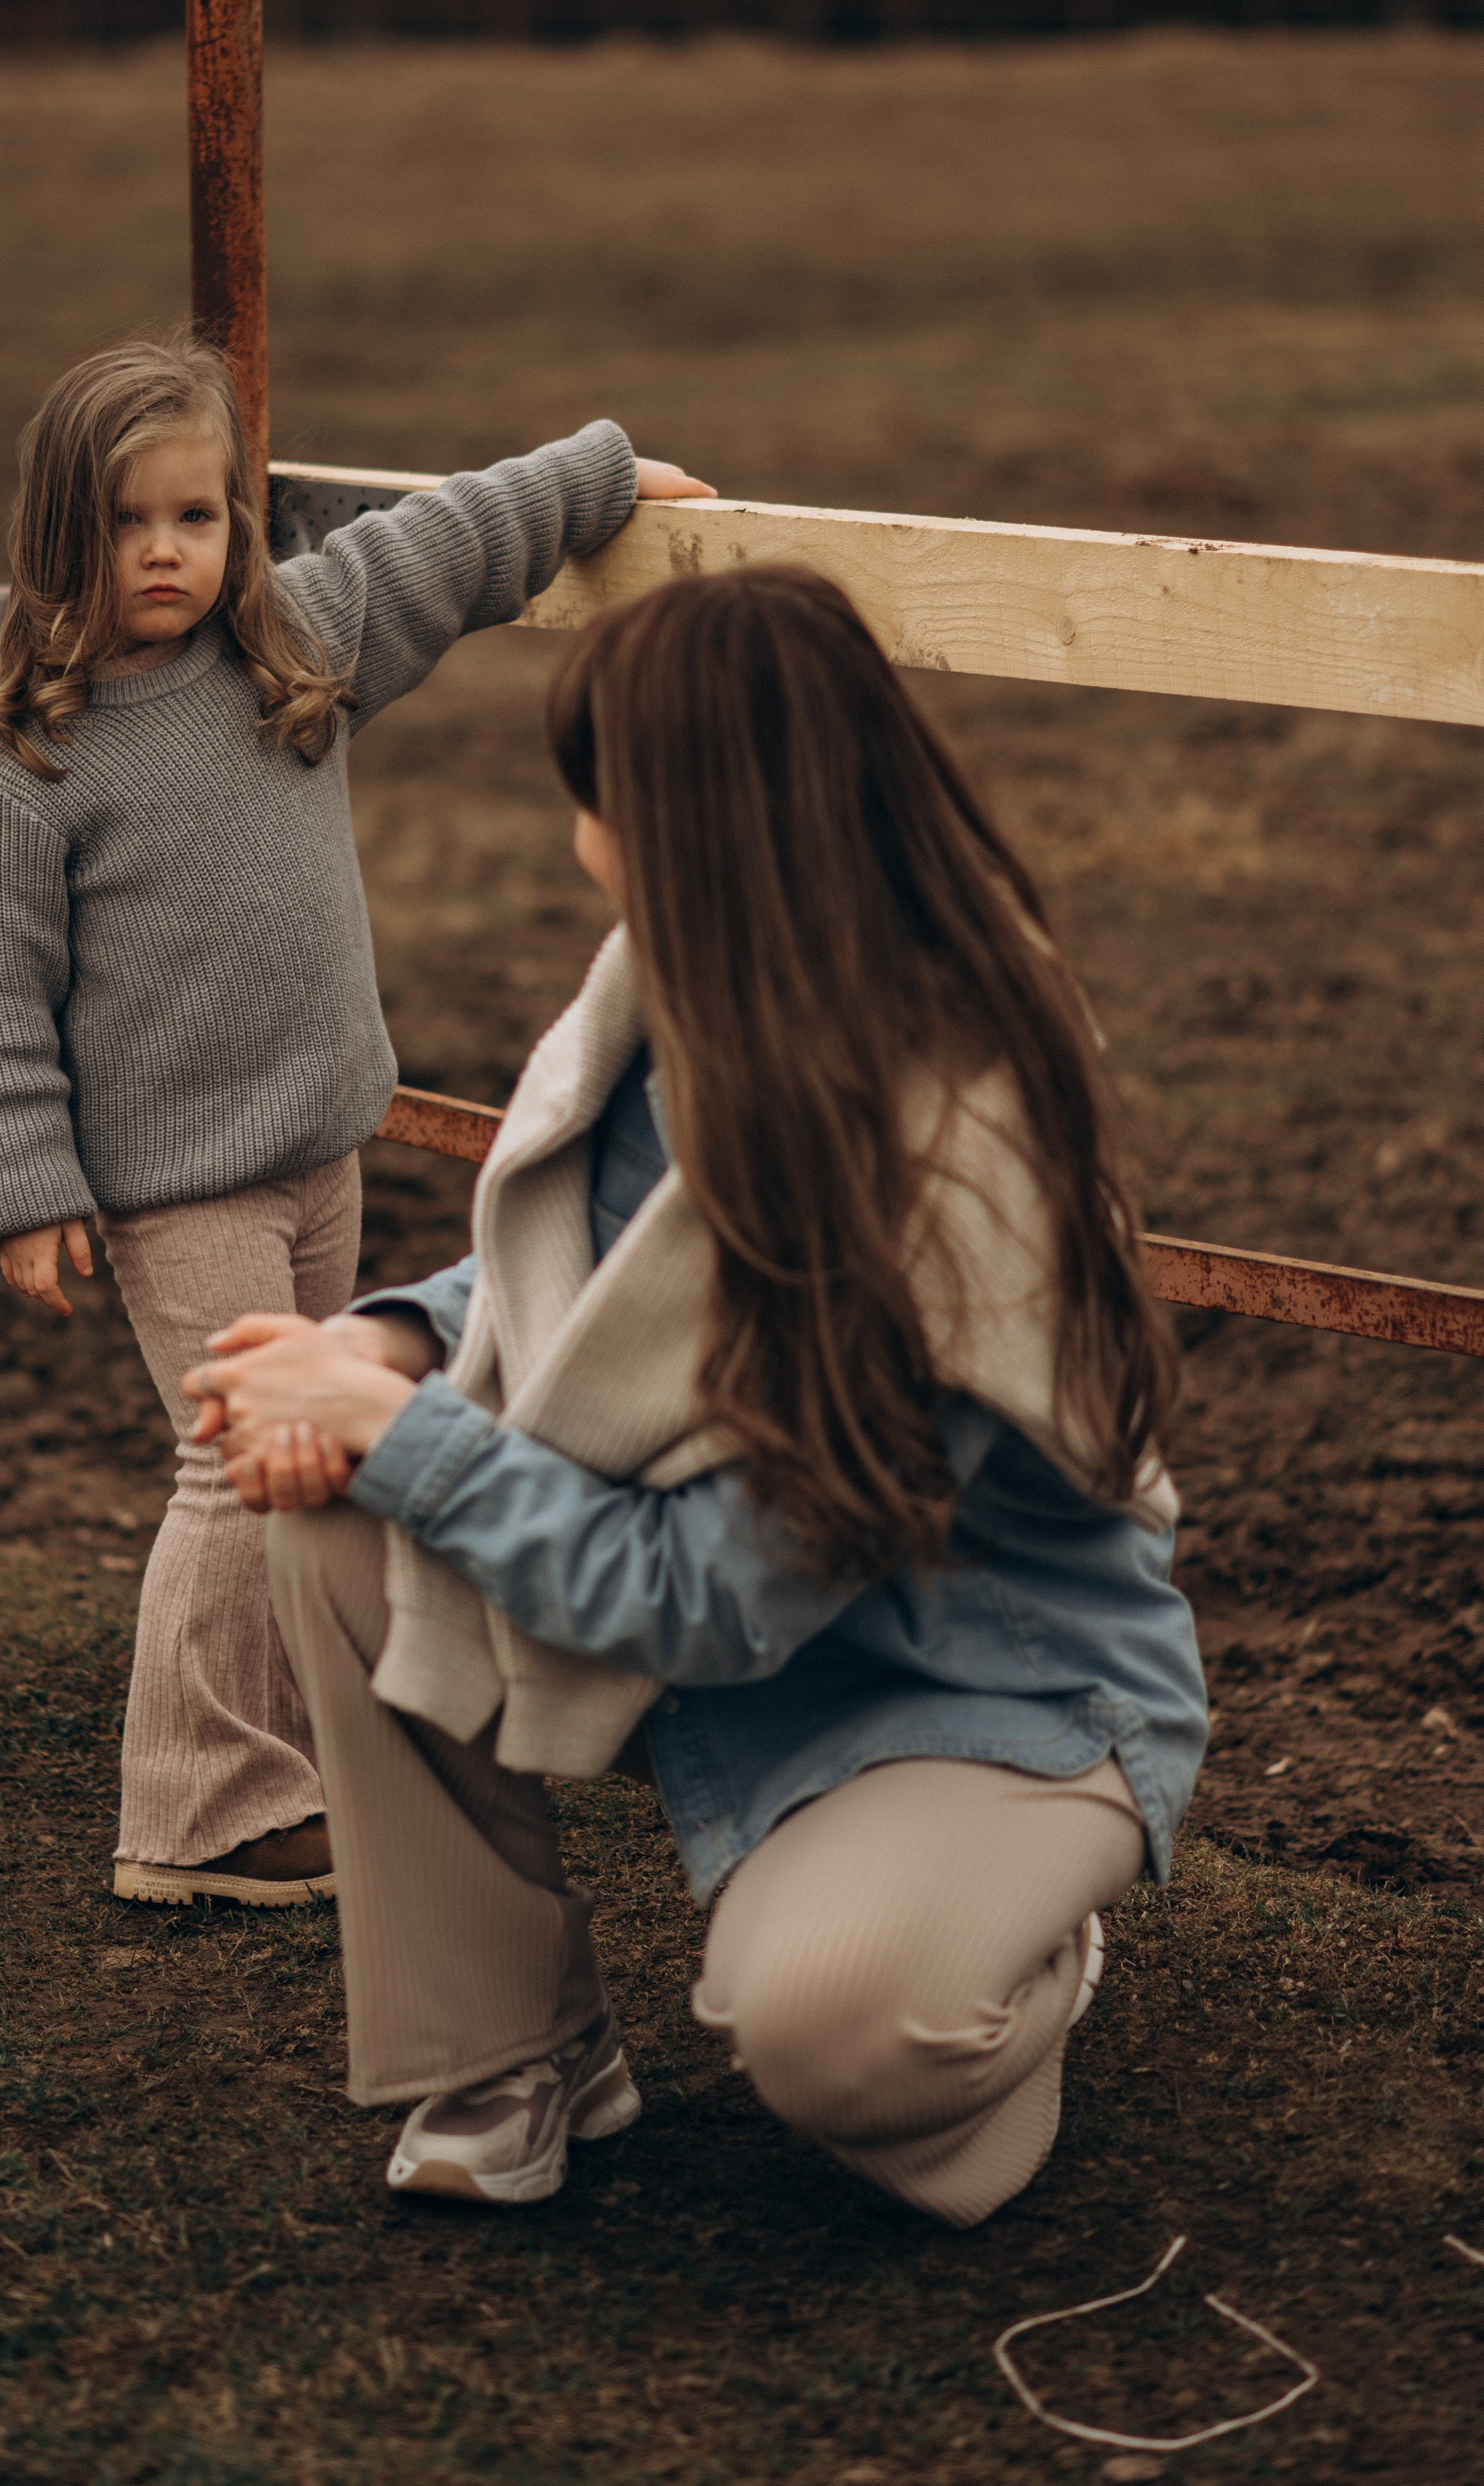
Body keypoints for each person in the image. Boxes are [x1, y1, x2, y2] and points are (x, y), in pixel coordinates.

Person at [183, 563, 1209, 2226]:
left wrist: (421, 1442)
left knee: (831, 2041)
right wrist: (391, 1350)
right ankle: (510, 2045)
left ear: (673, 824)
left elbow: (711, 1599)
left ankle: (1023, 1953)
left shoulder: (953, 1149)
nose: (579, 839)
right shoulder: (681, 1001)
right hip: (724, 1625)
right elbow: (592, 1296)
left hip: (973, 1692)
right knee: (327, 1525)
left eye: (594, 800)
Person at [0, 328, 714, 1909]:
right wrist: (25, 1187)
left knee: (312, 1453)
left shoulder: (294, 645)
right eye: (127, 523)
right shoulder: (22, 760)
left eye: (199, 517)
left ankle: (287, 1763)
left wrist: (601, 476)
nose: (166, 552)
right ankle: (195, 1814)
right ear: (58, 537)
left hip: (315, 1149)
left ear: (236, 523)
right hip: (171, 1189)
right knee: (234, 1458)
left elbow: (450, 541)